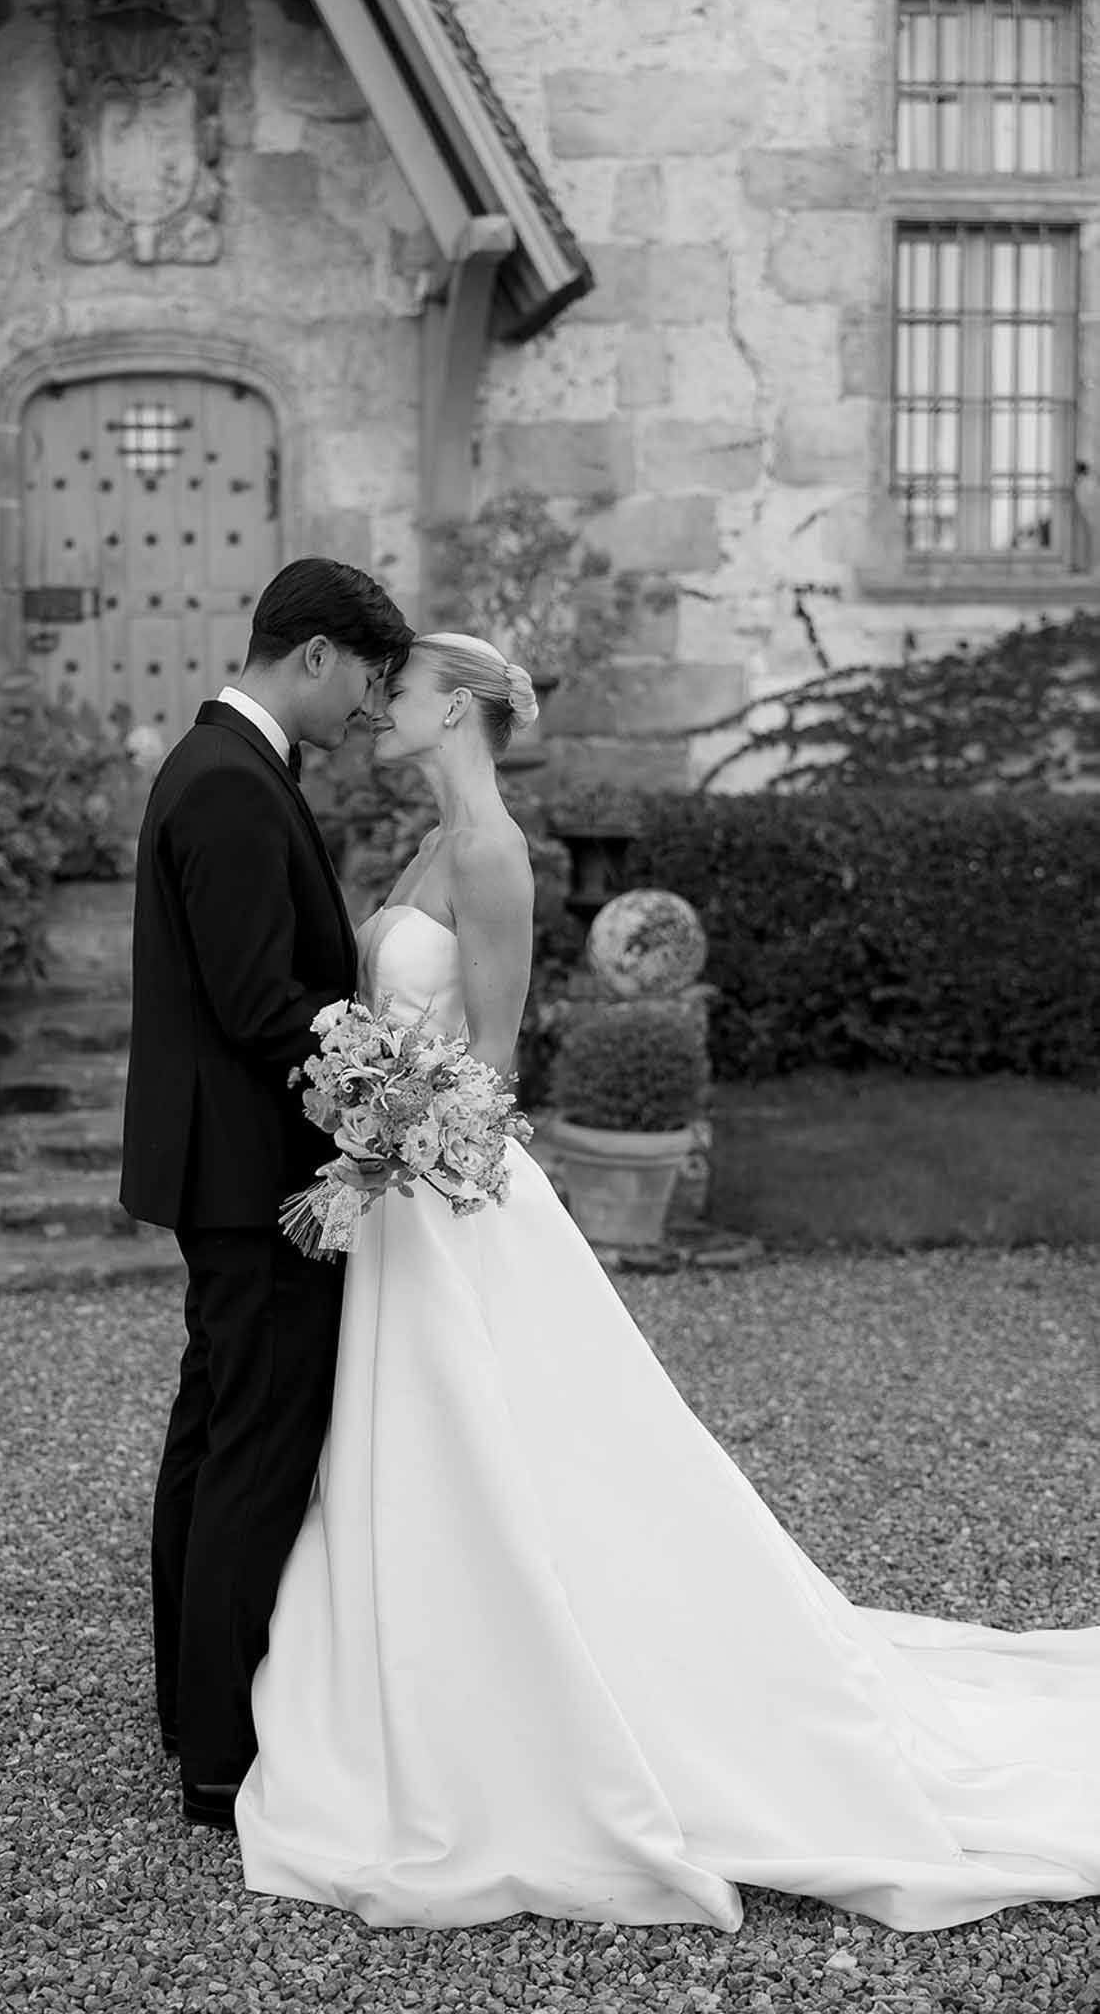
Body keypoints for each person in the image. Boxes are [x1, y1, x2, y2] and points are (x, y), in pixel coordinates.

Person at [232, 629, 1100, 1931]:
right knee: (437, 1447)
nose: (376, 709)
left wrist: (377, 1150)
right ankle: (433, 1674)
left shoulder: (490, 850)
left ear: (456, 707)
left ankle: (554, 1693)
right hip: (405, 1186)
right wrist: (363, 1125)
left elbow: (488, 1063)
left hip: (447, 1193)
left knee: (516, 1446)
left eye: (398, 691)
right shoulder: (423, 839)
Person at [119, 557, 413, 1832]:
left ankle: (195, 1708)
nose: (369, 707)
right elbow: (256, 1002)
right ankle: (224, 1754)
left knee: (214, 1419)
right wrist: (395, 1081)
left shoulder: (224, 765)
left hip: (220, 1166)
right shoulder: (234, 784)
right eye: (367, 678)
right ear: (313, 652)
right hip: (254, 1173)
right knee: (257, 1439)